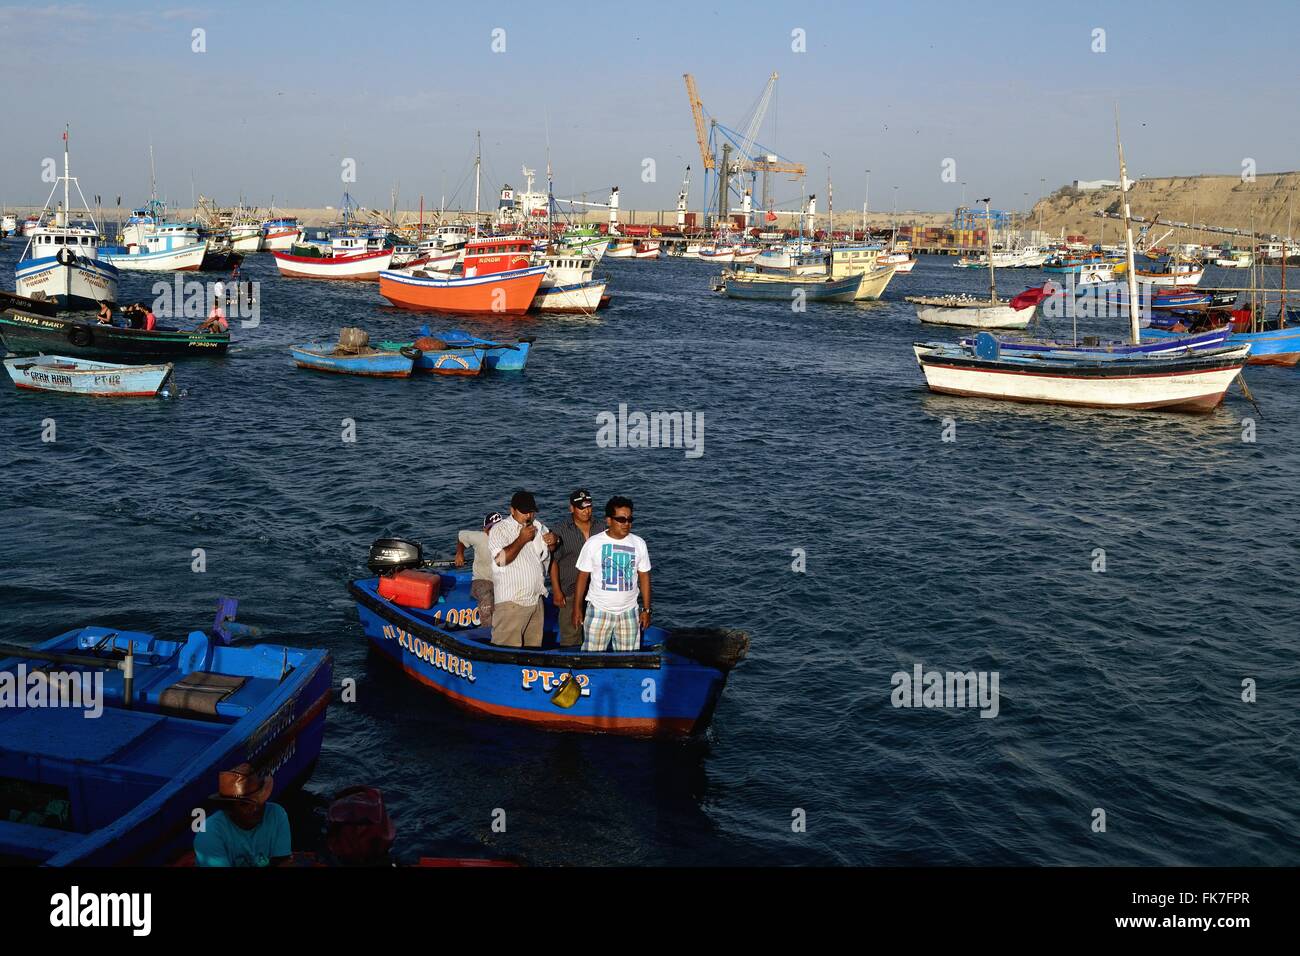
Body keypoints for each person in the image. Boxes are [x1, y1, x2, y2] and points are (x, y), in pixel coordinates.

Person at [571, 496, 652, 652]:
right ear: (609, 520)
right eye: (621, 519)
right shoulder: (594, 543)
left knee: (628, 661)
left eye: (629, 519)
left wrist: (646, 610)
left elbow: (644, 577)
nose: (626, 524)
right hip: (598, 611)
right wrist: (577, 608)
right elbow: (582, 577)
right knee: (591, 659)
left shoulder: (639, 543)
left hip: (629, 613)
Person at [487, 490, 556, 648]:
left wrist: (554, 541)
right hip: (512, 603)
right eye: (524, 512)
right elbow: (500, 560)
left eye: (531, 512)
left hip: (535, 600)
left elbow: (548, 551)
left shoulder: (538, 526)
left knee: (532, 652)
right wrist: (521, 539)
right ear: (512, 510)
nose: (528, 516)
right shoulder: (500, 529)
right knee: (506, 652)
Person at [193, 763, 291, 867]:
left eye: (259, 800)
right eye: (245, 804)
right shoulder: (210, 833)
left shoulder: (277, 814)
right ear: (230, 808)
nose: (255, 808)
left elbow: (283, 862)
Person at [549, 488, 595, 648]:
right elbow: (552, 561)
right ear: (572, 508)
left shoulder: (602, 528)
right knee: (571, 639)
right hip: (569, 593)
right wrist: (556, 590)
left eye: (589, 506)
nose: (586, 511)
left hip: (597, 594)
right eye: (581, 507)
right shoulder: (560, 531)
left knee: (595, 638)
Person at [456, 512, 503, 628]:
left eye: (499, 528)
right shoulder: (480, 538)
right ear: (485, 530)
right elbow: (461, 536)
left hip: (502, 582)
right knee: (487, 596)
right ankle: (487, 632)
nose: (495, 531)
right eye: (492, 528)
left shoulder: (509, 539)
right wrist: (459, 553)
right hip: (482, 580)